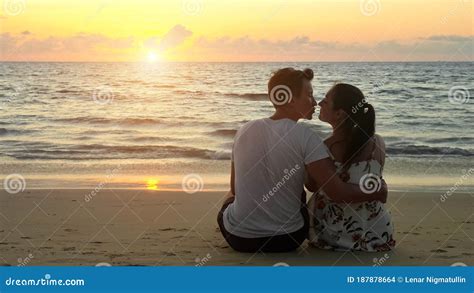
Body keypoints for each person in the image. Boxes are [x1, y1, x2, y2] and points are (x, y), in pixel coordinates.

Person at [217, 68, 388, 253]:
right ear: (289, 98)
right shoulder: (307, 136)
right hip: (287, 240)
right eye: (309, 95)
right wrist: (377, 192)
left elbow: (235, 189)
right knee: (295, 192)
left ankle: (247, 221)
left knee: (232, 193)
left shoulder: (244, 130)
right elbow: (338, 192)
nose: (315, 102)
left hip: (238, 239)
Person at [307, 83, 395, 252]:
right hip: (379, 233)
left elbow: (311, 185)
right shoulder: (378, 142)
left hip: (338, 235)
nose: (319, 104)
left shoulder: (324, 147)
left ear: (339, 113)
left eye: (325, 101)